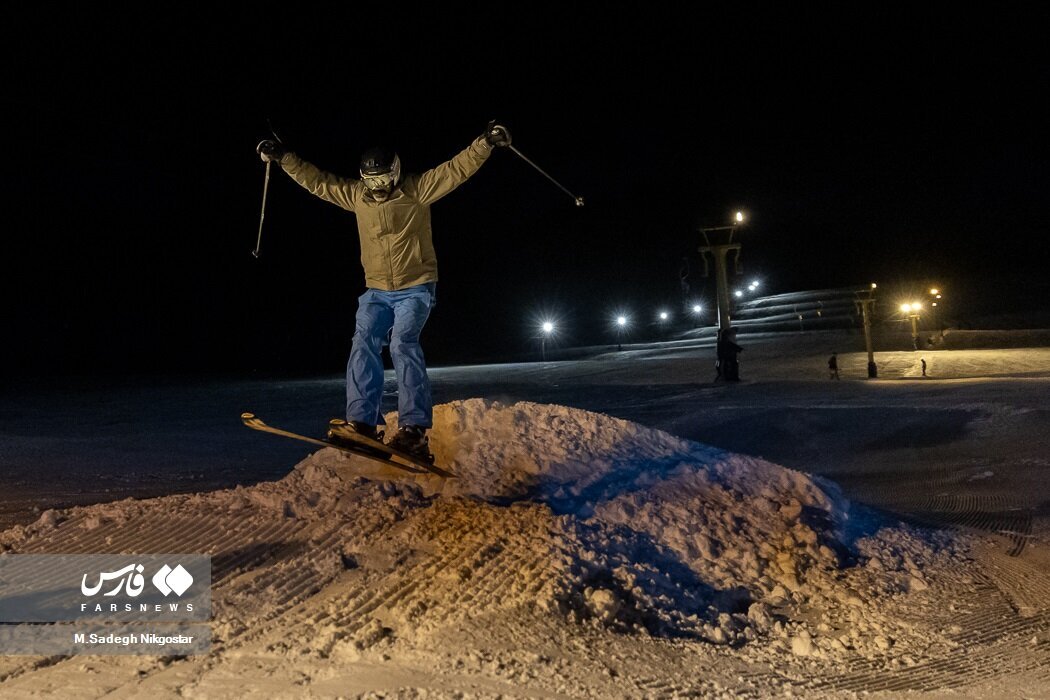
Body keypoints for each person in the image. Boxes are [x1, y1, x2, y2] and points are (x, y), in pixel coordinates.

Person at [256, 121, 513, 460]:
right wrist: (283, 156)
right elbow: (317, 181)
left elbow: (455, 170)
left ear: (395, 173)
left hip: (416, 288)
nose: (377, 187)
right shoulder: (357, 196)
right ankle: (363, 424)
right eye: (371, 181)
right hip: (376, 290)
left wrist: (485, 143)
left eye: (382, 180)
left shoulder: (417, 190)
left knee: (402, 343)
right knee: (363, 342)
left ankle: (414, 431)